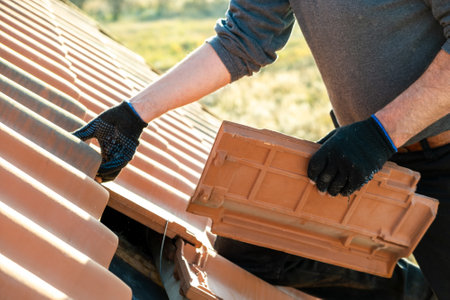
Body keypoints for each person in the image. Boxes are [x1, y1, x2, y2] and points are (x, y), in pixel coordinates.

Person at [73, 0, 450, 298]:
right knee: (252, 247)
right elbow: (242, 37)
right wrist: (133, 115)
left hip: (425, 148)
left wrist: (381, 133)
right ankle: (417, 291)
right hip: (368, 149)